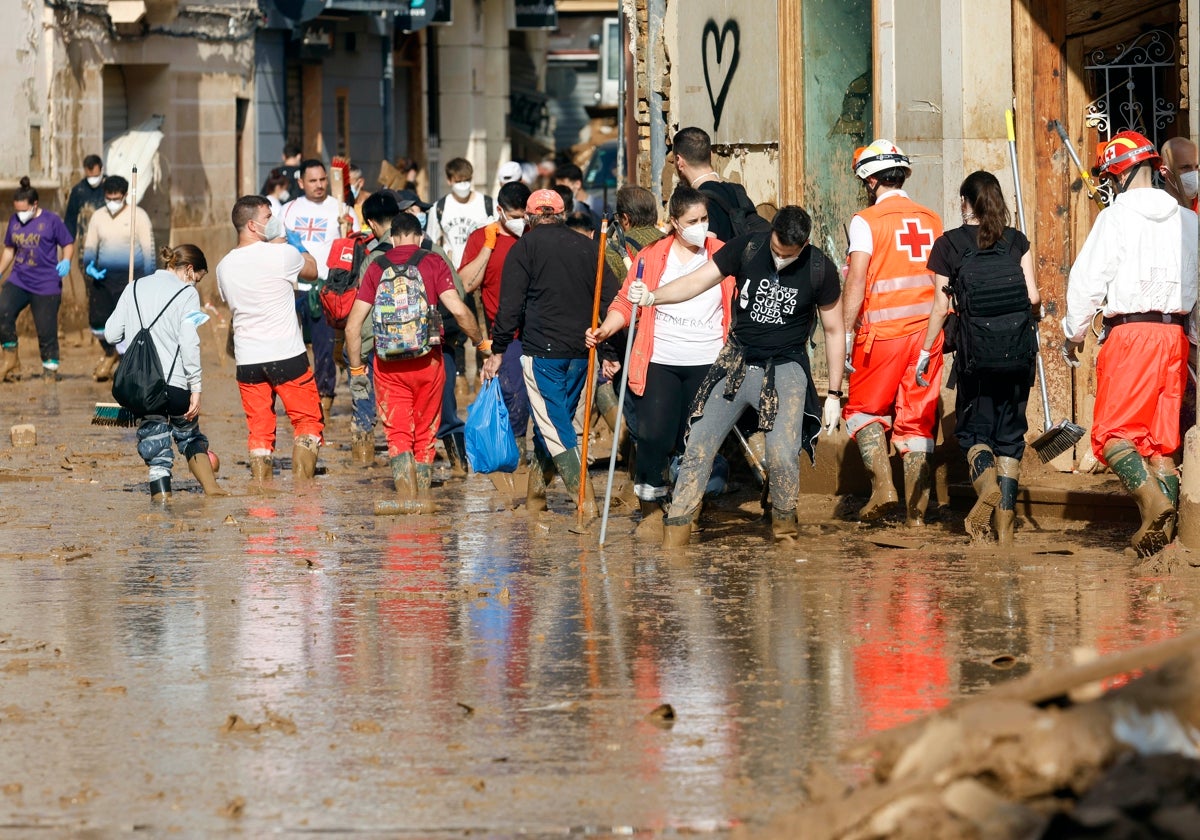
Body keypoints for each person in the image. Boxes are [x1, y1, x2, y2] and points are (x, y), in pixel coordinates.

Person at [623, 206, 844, 546]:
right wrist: (654, 296)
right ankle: (677, 531)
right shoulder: (748, 248)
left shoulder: (820, 268)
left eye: (788, 255)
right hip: (737, 362)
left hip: (786, 367)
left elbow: (833, 330)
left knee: (782, 455)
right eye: (776, 250)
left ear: (804, 245)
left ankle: (784, 531)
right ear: (770, 234)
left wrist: (834, 394)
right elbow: (697, 281)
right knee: (698, 444)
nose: (780, 259)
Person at [1062, 131, 1198, 557]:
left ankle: (1153, 504)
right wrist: (1192, 339)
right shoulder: (1189, 221)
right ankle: (1163, 544)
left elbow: (1087, 282)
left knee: (1112, 434)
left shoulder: (1114, 219)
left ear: (1118, 175)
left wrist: (1074, 332)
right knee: (1161, 443)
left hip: (1130, 334)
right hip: (1174, 336)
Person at [586, 187, 735, 539]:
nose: (700, 227)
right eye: (692, 221)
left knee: (696, 439)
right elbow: (625, 302)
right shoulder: (651, 257)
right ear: (674, 223)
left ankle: (689, 507)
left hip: (708, 360)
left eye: (704, 219)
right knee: (653, 436)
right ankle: (651, 506)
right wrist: (605, 329)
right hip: (660, 359)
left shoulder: (722, 255)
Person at [481, 188, 620, 518]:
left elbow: (509, 308)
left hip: (542, 354)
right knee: (550, 426)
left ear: (529, 217)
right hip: (581, 354)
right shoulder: (588, 248)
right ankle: (535, 501)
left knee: (556, 430)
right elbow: (611, 301)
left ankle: (586, 505)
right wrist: (610, 350)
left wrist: (498, 350)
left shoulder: (523, 249)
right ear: (563, 214)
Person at [918, 171, 1040, 545]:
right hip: (1019, 357)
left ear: (964, 202)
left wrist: (926, 351)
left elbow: (941, 307)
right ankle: (1003, 533)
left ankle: (986, 487)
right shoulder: (1017, 241)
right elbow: (1033, 298)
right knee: (1009, 438)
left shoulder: (949, 245)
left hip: (977, 358)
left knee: (973, 432)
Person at [343, 212, 482, 513]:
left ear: (392, 238)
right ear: (420, 237)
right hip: (428, 362)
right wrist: (481, 342)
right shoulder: (433, 261)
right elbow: (459, 311)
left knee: (398, 434)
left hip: (387, 366)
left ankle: (406, 505)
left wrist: (356, 370)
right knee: (425, 434)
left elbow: (353, 326)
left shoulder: (376, 266)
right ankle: (423, 505)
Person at [841, 139, 944, 527]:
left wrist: (848, 333)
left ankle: (884, 490)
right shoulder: (931, 218)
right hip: (927, 337)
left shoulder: (866, 221)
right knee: (917, 423)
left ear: (870, 182)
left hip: (881, 336)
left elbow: (857, 281)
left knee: (863, 412)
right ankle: (916, 516)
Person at [104, 244, 225, 502]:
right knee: (190, 435)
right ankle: (213, 492)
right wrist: (197, 388)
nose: (196, 285)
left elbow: (111, 334)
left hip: (142, 389)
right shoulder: (187, 294)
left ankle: (161, 505)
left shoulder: (133, 287)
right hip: (176, 387)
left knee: (156, 450)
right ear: (190, 270)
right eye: (198, 279)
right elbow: (189, 343)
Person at [216, 195, 324, 483]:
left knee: (259, 429)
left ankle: (261, 494)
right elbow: (312, 272)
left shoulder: (224, 266)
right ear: (252, 225)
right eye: (268, 217)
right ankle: (303, 493)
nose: (274, 221)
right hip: (286, 354)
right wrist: (294, 245)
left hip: (248, 360)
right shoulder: (282, 254)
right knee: (307, 422)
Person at [458, 181, 533, 469]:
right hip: (505, 336)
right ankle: (514, 463)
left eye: (522, 216)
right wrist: (488, 247)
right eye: (513, 216)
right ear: (499, 211)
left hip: (538, 330)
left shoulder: (533, 233)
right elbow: (466, 283)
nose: (519, 222)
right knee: (514, 398)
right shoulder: (481, 238)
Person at [343, 190, 403, 466]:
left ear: (371, 223)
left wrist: (356, 356)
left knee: (364, 404)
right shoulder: (428, 249)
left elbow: (362, 318)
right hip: (420, 344)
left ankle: (363, 460)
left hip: (378, 345)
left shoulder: (373, 258)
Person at [280, 159, 341, 417]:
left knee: (324, 347)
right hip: (293, 288)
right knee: (289, 346)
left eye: (322, 180)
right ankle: (295, 399)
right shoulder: (287, 210)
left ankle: (324, 400)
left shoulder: (340, 208)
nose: (319, 185)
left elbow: (350, 246)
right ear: (301, 182)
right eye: (313, 180)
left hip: (326, 287)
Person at [82, 175, 155, 382]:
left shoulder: (138, 216)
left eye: (116, 198)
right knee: (97, 324)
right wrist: (90, 267)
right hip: (103, 279)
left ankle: (125, 364)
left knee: (127, 324)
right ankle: (110, 351)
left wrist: (149, 280)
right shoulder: (98, 217)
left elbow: (149, 251)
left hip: (130, 279)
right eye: (108, 197)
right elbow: (89, 247)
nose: (112, 202)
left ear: (124, 196)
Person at [0, 178, 74, 381]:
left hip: (46, 284)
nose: (20, 214)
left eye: (24, 210)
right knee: (2, 311)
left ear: (35, 205)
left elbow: (68, 243)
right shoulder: (15, 222)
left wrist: (66, 260)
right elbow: (9, 249)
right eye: (17, 210)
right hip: (19, 279)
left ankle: (50, 370)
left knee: (46, 330)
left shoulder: (52, 221)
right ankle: (10, 357)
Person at [672, 126, 758, 242]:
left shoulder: (700, 202)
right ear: (711, 155)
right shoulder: (737, 191)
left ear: (679, 161)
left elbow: (706, 250)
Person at [64, 154, 105, 241]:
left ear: (101, 170)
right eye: (89, 176)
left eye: (95, 176)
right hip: (86, 239)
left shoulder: (109, 187)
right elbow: (70, 219)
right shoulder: (78, 191)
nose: (93, 180)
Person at [1160, 136, 1199, 212]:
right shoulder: (1159, 211)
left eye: (1197, 167)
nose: (1194, 173)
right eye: (1185, 167)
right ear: (1164, 171)